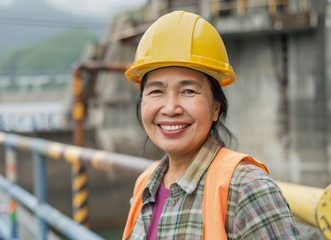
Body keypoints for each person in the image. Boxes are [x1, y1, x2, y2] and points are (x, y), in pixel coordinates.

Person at [122, 10, 302, 240]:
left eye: (188, 91)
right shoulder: (145, 184)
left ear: (216, 107)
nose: (170, 108)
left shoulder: (247, 189)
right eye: (156, 91)